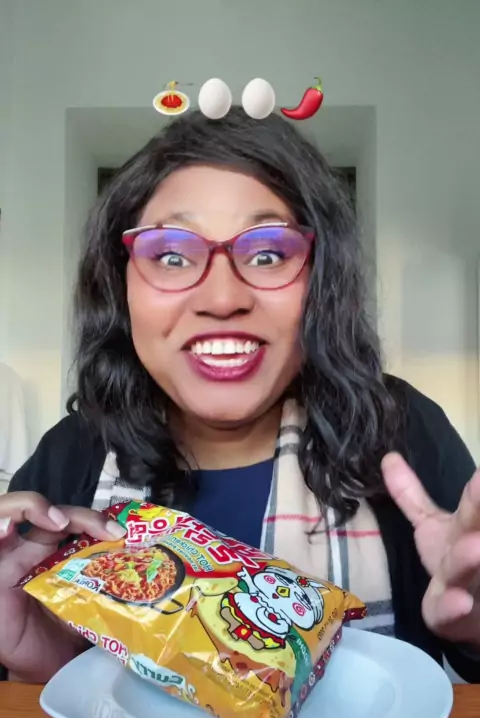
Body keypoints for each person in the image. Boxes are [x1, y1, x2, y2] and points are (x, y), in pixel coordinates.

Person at [1, 108, 479, 686]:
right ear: (119, 285)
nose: (223, 298)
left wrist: (475, 631)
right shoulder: (71, 457)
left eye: (268, 253)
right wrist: (40, 662)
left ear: (320, 283)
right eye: (171, 255)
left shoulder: (400, 431)